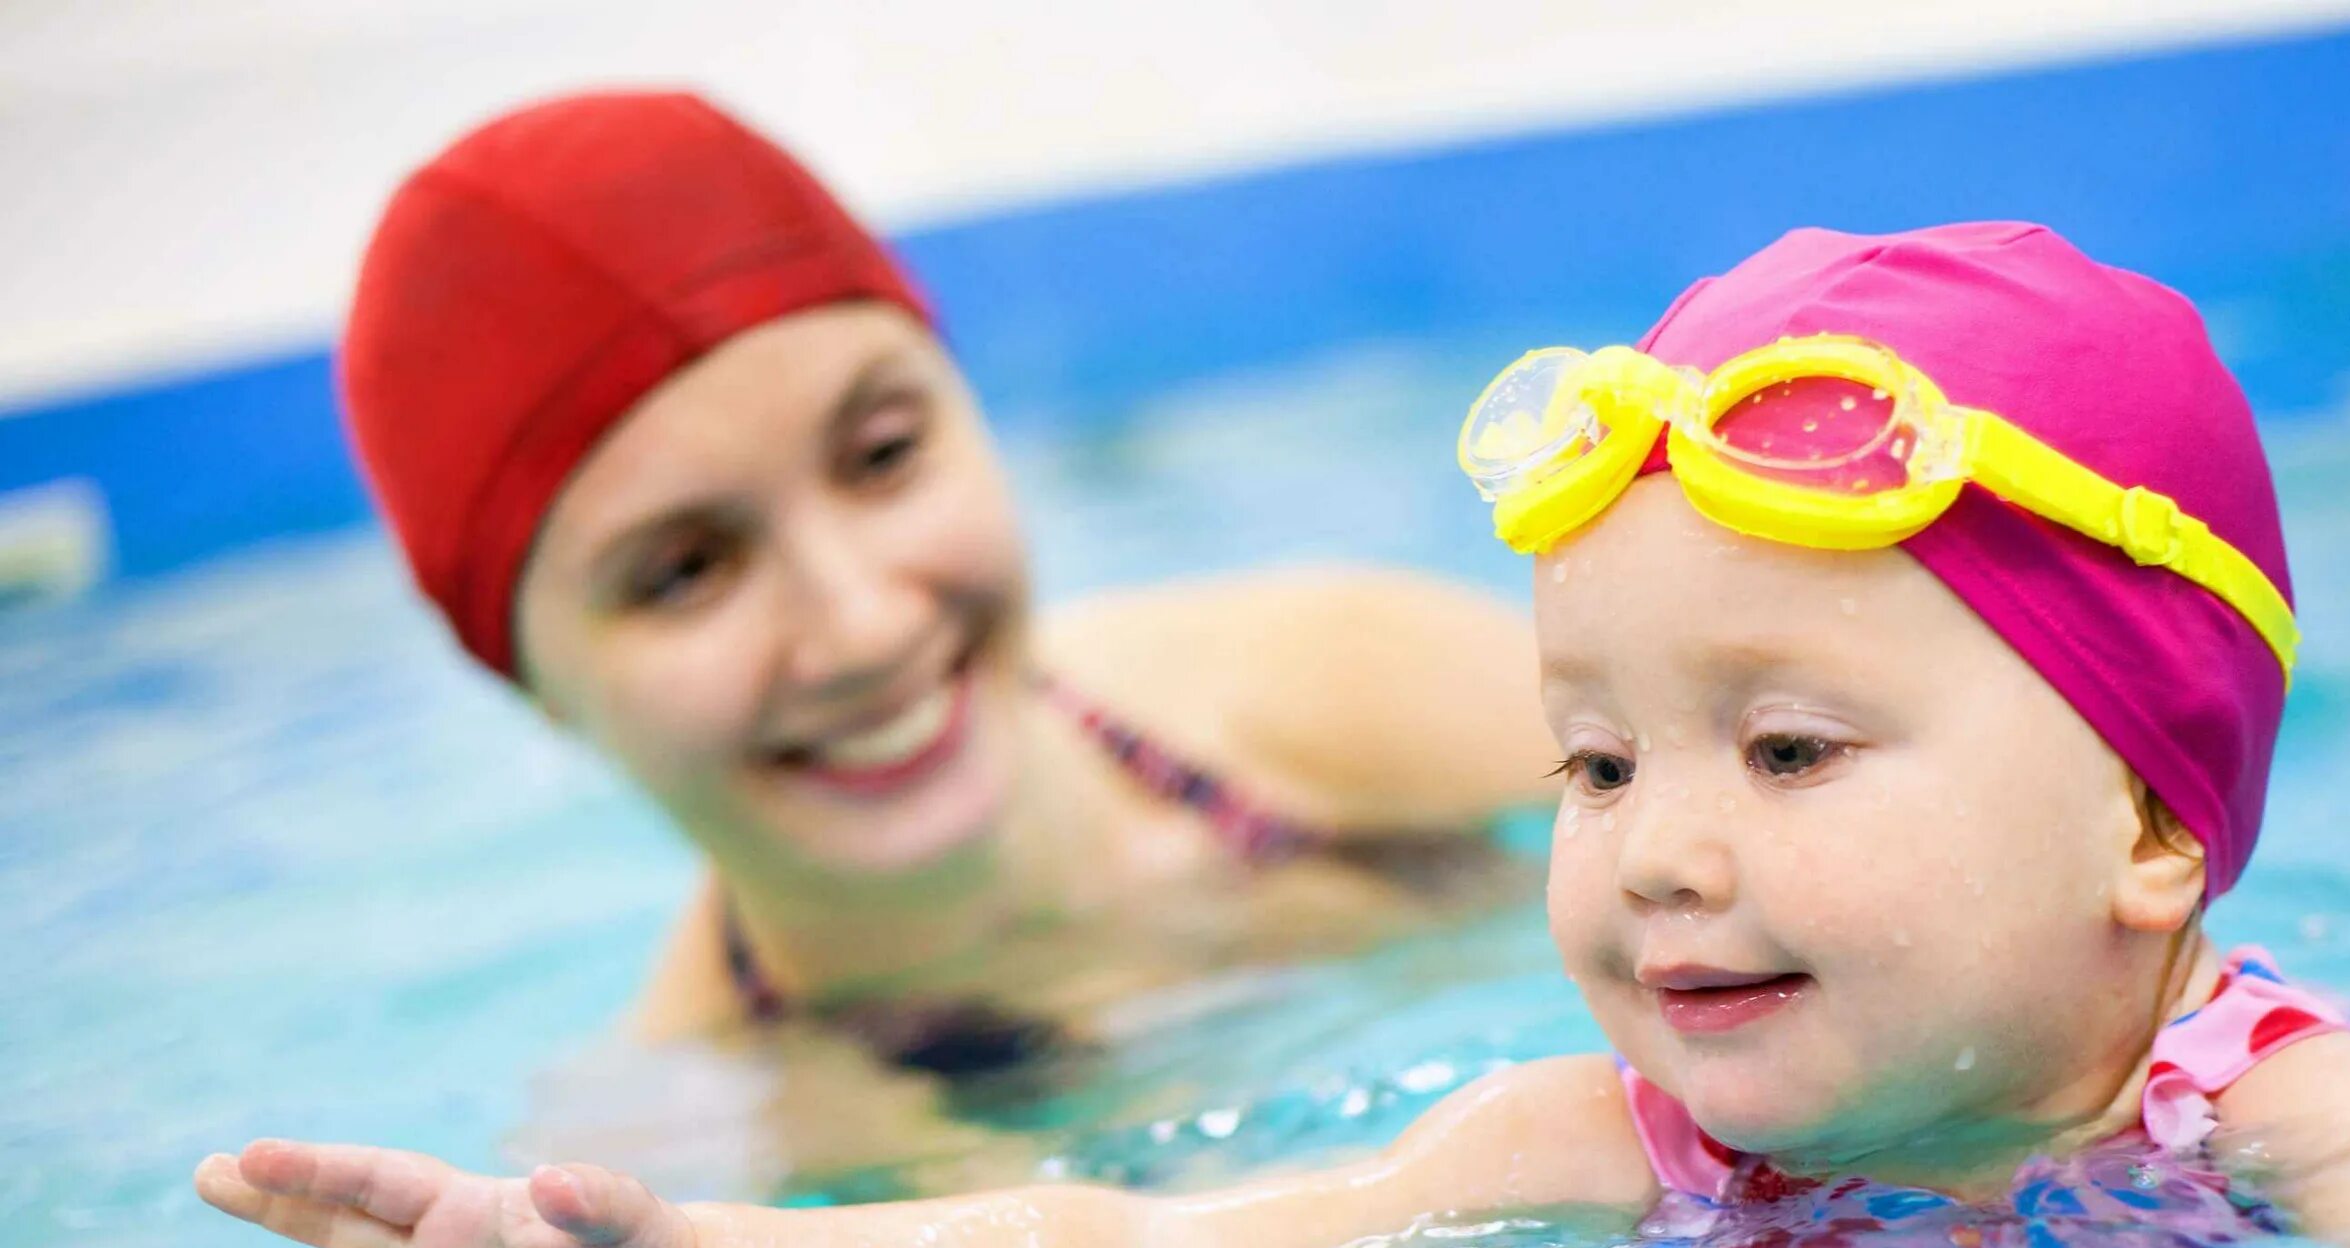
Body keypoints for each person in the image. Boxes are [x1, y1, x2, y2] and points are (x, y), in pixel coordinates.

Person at [201, 223, 2350, 1248]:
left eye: (1786, 751)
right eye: (1590, 764)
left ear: (2148, 818)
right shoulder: (1585, 1139)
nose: (1645, 859)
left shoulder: (2268, 1103)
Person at [339, 90, 1554, 1103]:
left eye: (882, 455)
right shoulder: (687, 1163)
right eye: (684, 571)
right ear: (531, 684)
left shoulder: (1356, 679)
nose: (862, 626)